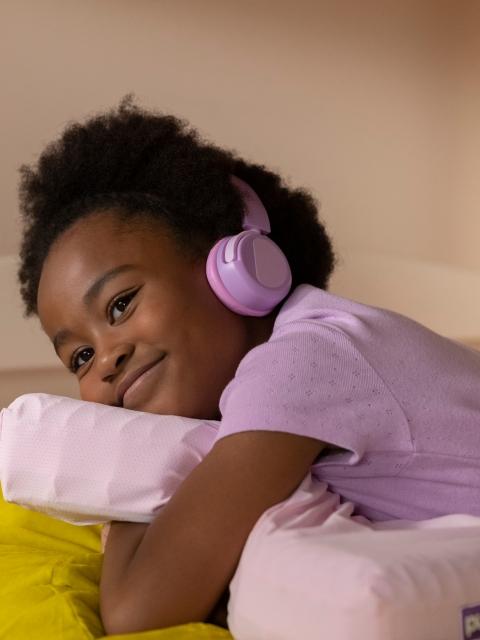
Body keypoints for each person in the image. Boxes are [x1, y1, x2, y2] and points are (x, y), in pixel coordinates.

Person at [17, 94, 480, 634]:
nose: (107, 359)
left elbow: (137, 613)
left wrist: (121, 480)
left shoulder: (300, 365)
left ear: (231, 266)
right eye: (80, 356)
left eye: (121, 304)